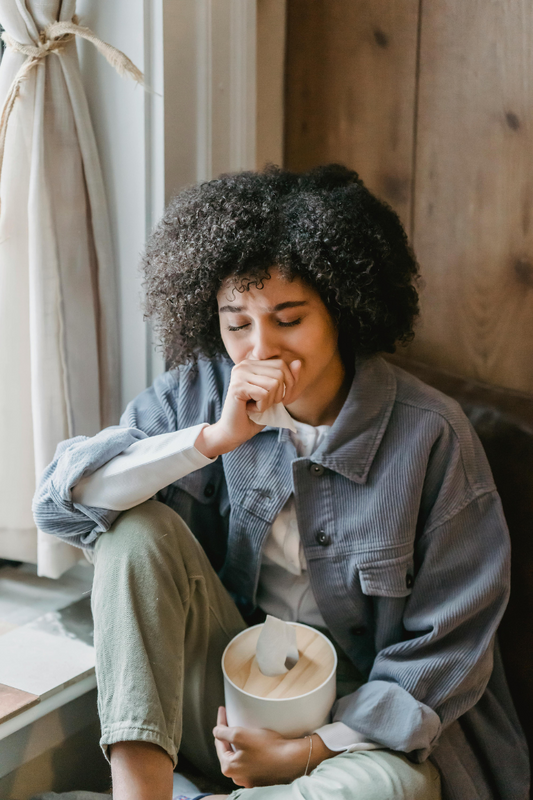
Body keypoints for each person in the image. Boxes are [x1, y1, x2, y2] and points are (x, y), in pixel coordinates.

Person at [34, 165, 529, 800]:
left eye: (288, 319)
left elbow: (451, 647)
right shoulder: (199, 395)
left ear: (343, 309)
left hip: (363, 727)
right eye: (236, 323)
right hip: (226, 698)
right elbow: (62, 507)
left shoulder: (432, 435)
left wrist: (306, 751)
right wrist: (211, 441)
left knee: (389, 791)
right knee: (131, 531)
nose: (259, 348)